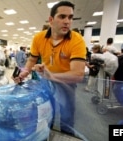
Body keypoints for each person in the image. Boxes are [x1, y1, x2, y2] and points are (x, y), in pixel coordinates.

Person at [12, 1, 86, 136]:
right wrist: (24, 72)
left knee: (67, 118)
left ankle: (67, 137)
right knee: (46, 113)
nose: (67, 21)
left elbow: (78, 74)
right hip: (46, 83)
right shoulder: (39, 38)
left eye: (70, 17)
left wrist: (52, 76)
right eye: (62, 17)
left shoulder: (77, 40)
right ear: (51, 20)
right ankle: (46, 135)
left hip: (67, 84)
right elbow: (32, 59)